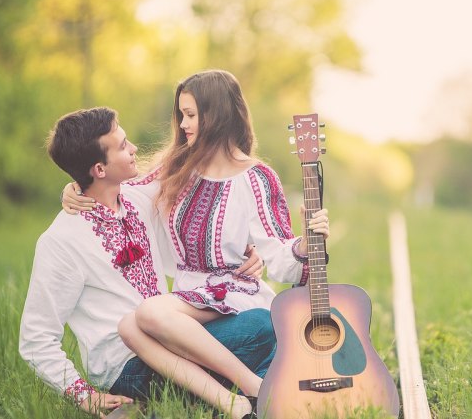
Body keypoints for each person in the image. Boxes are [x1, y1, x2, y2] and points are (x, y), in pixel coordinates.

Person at [62, 69, 330, 405]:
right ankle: (243, 395)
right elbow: (122, 192)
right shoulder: (177, 167)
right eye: (181, 115)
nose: (183, 124)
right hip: (186, 303)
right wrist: (75, 186)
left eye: (190, 115)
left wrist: (305, 244)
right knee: (131, 326)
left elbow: (279, 255)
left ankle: (253, 387)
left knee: (148, 315)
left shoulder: (257, 177)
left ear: (216, 115)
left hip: (234, 296)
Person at [20, 107, 274, 419]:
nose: (134, 149)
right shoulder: (61, 241)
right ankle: (236, 399)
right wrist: (84, 396)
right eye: (123, 145)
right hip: (127, 366)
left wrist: (246, 253)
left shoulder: (139, 199)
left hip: (174, 335)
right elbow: (36, 338)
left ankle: (183, 409)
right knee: (263, 330)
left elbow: (199, 190)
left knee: (265, 324)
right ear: (99, 169)